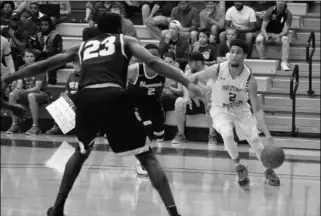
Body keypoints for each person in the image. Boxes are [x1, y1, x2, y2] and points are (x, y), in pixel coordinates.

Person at [1, 13, 201, 216]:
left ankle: (58, 207)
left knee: (80, 152)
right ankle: (174, 213)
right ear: (118, 29)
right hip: (113, 94)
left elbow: (45, 64)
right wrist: (187, 82)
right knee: (147, 157)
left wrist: (11, 77)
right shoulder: (125, 40)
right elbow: (152, 61)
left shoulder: (83, 47)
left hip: (86, 98)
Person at [189, 39, 280, 189]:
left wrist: (267, 133)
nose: (234, 55)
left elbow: (257, 109)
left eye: (238, 52)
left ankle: (268, 170)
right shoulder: (217, 69)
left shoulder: (250, 79)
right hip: (220, 109)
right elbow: (193, 78)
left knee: (255, 141)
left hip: (241, 109)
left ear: (244, 55)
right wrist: (196, 94)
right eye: (232, 52)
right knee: (227, 134)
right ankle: (240, 167)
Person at [127, 44, 166, 176]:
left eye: (155, 54)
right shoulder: (134, 70)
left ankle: (146, 156)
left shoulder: (165, 70)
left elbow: (184, 79)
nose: (152, 57)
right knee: (146, 129)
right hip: (135, 103)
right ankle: (142, 162)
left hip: (153, 102)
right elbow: (115, 79)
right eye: (149, 54)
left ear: (161, 57)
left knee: (160, 132)